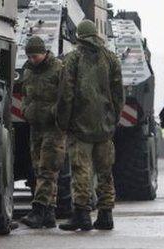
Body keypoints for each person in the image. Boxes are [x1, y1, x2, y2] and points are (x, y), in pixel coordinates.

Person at [55, 19, 124, 231]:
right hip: (104, 127)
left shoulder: (73, 59)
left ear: (79, 37)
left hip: (80, 126)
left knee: (81, 171)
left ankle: (82, 215)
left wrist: (63, 122)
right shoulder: (111, 59)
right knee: (105, 172)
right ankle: (106, 215)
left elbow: (66, 95)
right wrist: (113, 119)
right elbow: (118, 95)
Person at [19, 36, 67, 229]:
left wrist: (54, 113)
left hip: (53, 127)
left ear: (44, 52)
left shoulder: (58, 69)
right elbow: (24, 95)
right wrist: (25, 110)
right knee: (39, 168)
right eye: (29, 56)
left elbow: (66, 97)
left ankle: (38, 210)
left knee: (48, 169)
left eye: (35, 56)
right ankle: (49, 213)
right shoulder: (29, 71)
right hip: (36, 126)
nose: (32, 60)